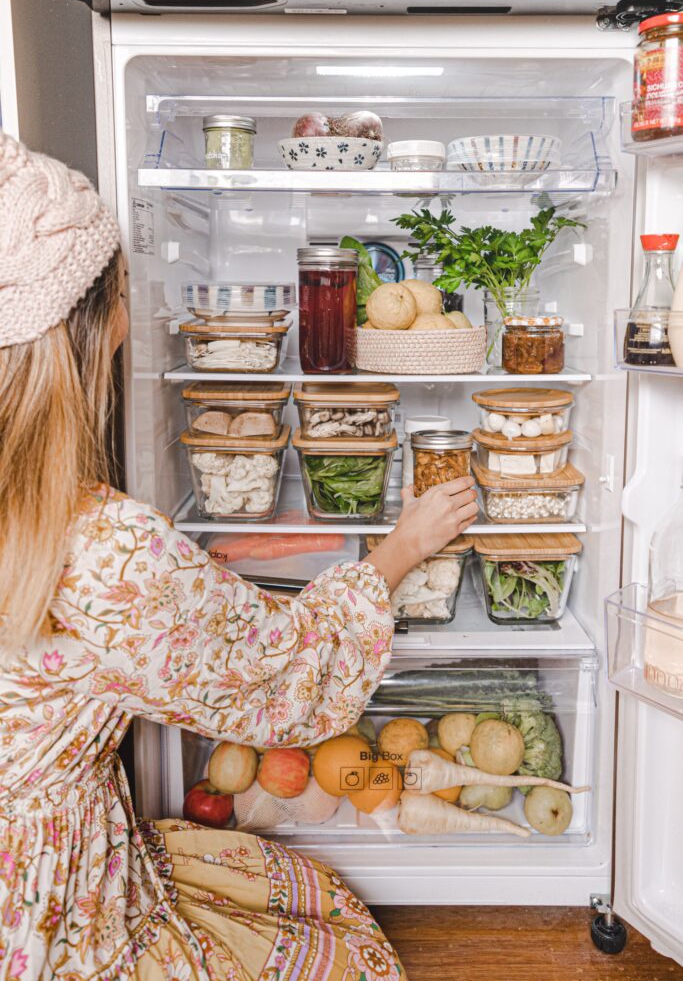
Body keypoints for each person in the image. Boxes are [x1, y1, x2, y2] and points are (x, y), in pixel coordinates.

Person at [0, 130, 478, 981]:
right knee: (338, 948)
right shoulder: (104, 552)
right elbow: (283, 680)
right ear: (88, 328)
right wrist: (399, 548)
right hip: (43, 902)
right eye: (118, 297)